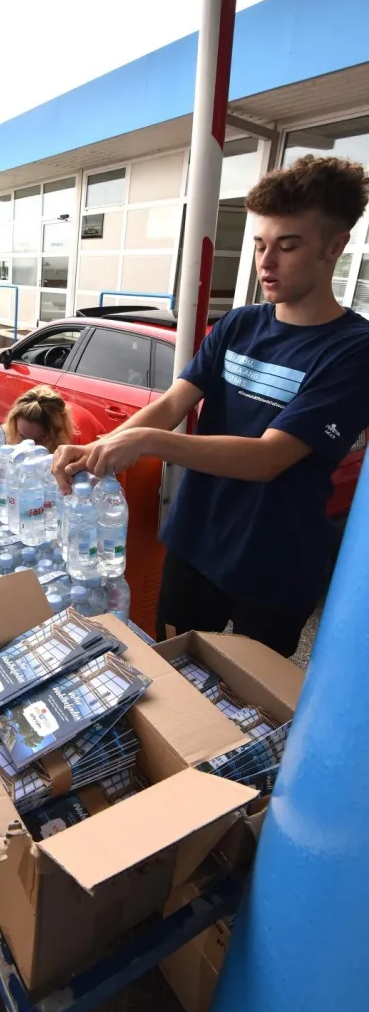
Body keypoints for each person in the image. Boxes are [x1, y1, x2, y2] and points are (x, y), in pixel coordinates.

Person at [53, 154, 369, 657]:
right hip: (195, 542)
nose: (266, 263)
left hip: (274, 563)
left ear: (336, 246)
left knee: (246, 708)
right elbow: (174, 402)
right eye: (260, 245)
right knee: (173, 673)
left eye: (288, 246)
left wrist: (148, 442)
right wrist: (97, 446)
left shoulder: (352, 350)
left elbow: (268, 458)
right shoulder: (238, 326)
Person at [3, 384, 101, 451]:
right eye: (22, 437)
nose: (28, 447)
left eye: (39, 440)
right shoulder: (11, 430)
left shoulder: (72, 443)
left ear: (55, 435)